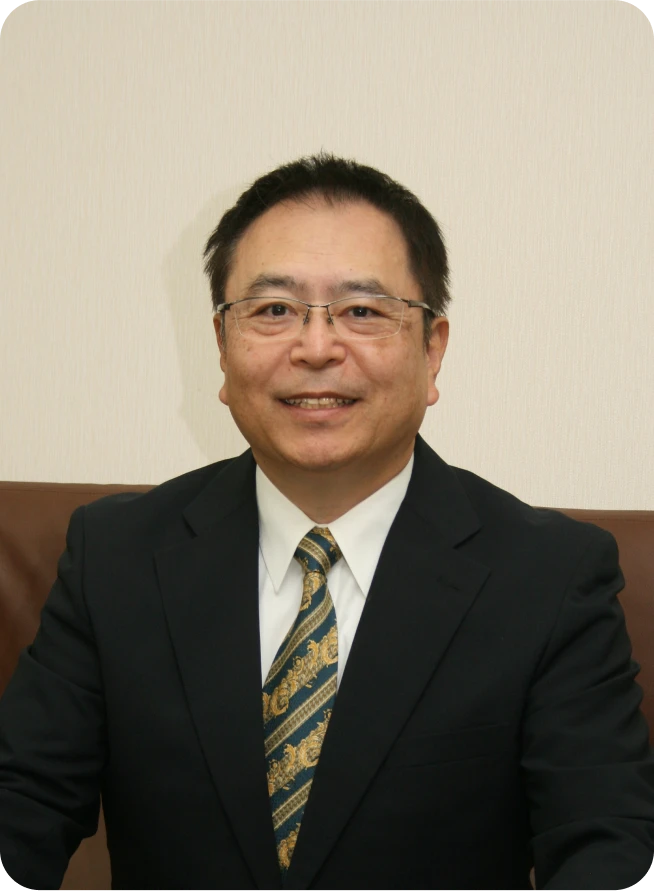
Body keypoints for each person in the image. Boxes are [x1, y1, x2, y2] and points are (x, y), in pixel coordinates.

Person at [1, 154, 653, 891]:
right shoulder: (116, 557)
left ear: (433, 349)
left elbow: (607, 842)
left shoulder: (549, 577)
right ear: (221, 345)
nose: (315, 348)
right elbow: (21, 801)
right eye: (274, 310)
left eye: (363, 311)